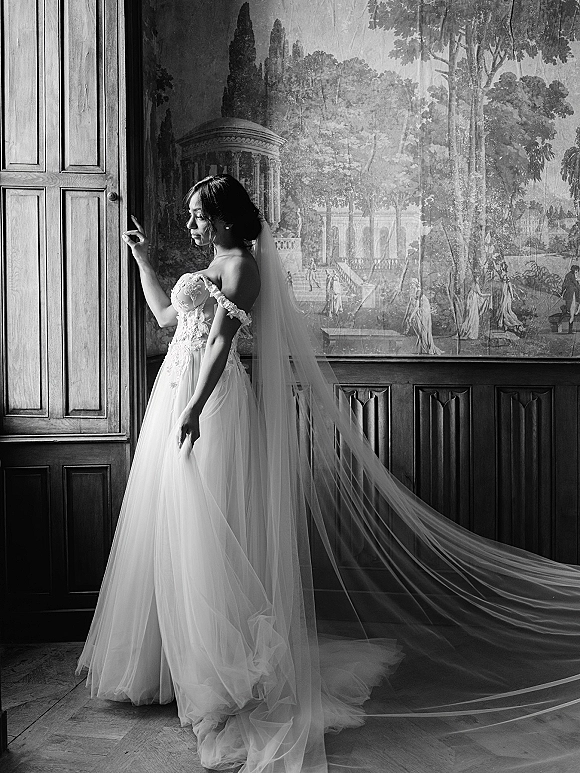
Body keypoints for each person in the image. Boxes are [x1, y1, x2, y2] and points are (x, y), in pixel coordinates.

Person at [79, 175, 580, 773]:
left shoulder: (242, 266)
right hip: (175, 396)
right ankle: (167, 660)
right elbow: (167, 317)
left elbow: (217, 345)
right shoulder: (213, 261)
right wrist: (139, 256)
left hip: (209, 402)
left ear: (225, 218)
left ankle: (216, 664)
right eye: (189, 215)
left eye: (197, 215)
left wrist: (193, 409)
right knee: (170, 521)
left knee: (208, 526)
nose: (190, 225)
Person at [562, 264, 580, 333]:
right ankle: (570, 330)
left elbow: (564, 285)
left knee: (572, 313)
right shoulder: (572, 277)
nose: (577, 273)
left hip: (570, 296)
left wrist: (562, 292)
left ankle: (570, 330)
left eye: (577, 272)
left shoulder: (568, 275)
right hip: (572, 296)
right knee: (572, 312)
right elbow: (577, 286)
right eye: (576, 272)